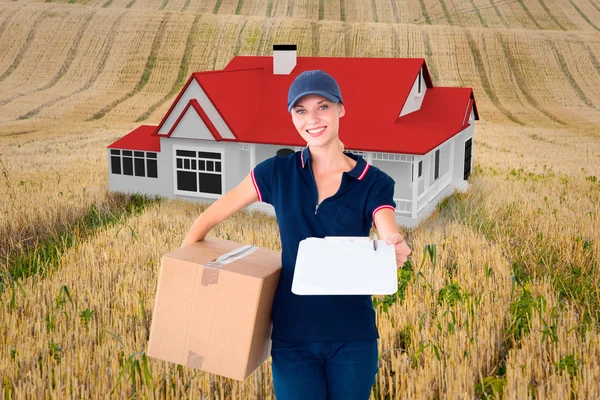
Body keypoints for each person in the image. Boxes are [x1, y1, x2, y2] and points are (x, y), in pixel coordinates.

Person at [180, 70, 412, 399]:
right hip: (292, 338)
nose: (312, 119)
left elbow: (386, 226)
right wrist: (185, 272)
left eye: (323, 107)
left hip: (353, 338)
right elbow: (209, 217)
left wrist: (394, 246)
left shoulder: (373, 182)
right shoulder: (276, 172)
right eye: (301, 111)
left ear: (340, 109)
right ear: (292, 116)